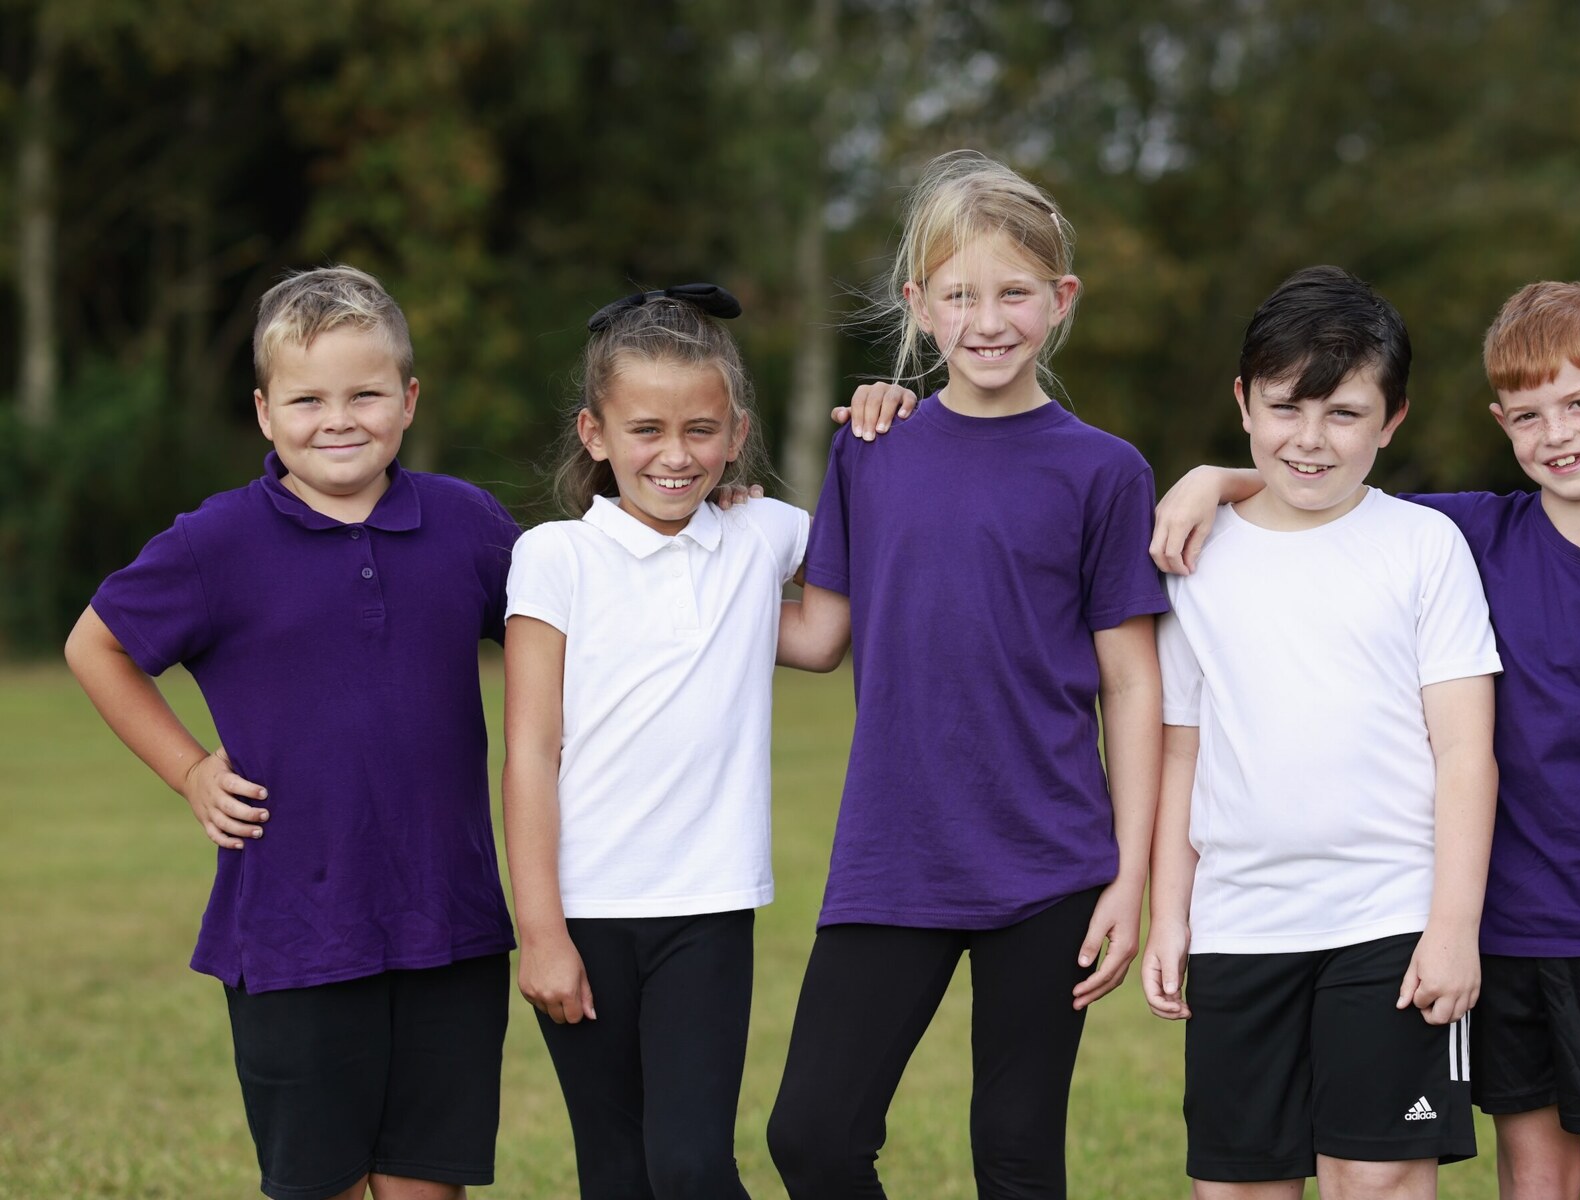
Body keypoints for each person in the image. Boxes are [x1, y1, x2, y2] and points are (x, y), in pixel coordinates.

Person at [1148, 281, 1580, 1200]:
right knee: (1532, 1170)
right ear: (1501, 421)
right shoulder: (1474, 531)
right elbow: (1326, 487)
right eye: (1528, 416)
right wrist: (1218, 478)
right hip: (1506, 922)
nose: (1557, 435)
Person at [65, 265, 518, 1200]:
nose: (338, 418)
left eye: (366, 393)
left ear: (409, 399)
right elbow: (95, 645)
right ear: (266, 412)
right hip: (294, 930)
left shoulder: (468, 524)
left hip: (450, 919)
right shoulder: (216, 542)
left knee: (426, 1185)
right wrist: (190, 769)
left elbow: (566, 633)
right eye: (308, 398)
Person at [763, 149, 1166, 1198]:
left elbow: (1129, 682)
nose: (988, 319)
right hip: (893, 850)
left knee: (1018, 1156)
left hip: (1051, 859)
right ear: (919, 305)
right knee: (811, 1134)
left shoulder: (1103, 471)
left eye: (1014, 293)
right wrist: (670, 577)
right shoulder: (870, 447)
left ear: (1059, 300)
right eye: (959, 295)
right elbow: (817, 638)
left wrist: (1129, 875)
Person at [1137, 265, 1500, 1198]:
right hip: (1240, 919)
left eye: (1343, 413)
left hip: (1388, 916)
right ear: (1244, 405)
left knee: (1371, 1179)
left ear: (1393, 421)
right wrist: (1170, 915)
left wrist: (1453, 927)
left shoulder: (1424, 547)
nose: (1310, 439)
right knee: (1238, 1185)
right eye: (1285, 408)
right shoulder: (1195, 555)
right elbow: (1183, 748)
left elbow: (1465, 752)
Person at [502, 284, 822, 1199]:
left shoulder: (760, 534)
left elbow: (839, 621)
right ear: (594, 433)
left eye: (700, 431)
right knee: (614, 1172)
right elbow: (531, 752)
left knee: (688, 1167)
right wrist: (541, 932)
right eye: (646, 430)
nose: (676, 457)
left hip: (707, 907)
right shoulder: (555, 557)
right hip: (586, 911)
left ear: (736, 432)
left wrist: (889, 428)